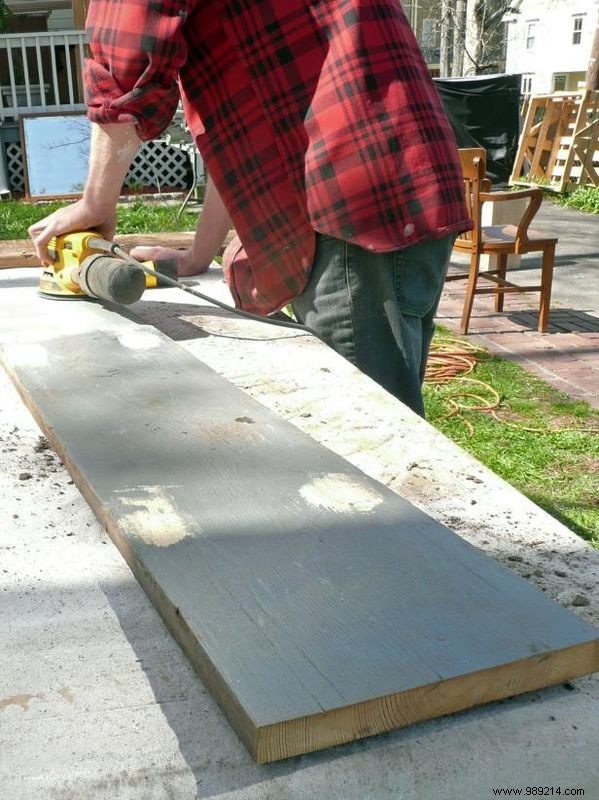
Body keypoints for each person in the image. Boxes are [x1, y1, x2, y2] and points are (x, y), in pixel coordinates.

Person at [29, 0, 472, 417]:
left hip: (350, 201)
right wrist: (198, 254)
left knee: (374, 446)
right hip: (410, 183)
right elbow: (251, 124)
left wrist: (95, 201)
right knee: (391, 414)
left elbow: (126, 54)